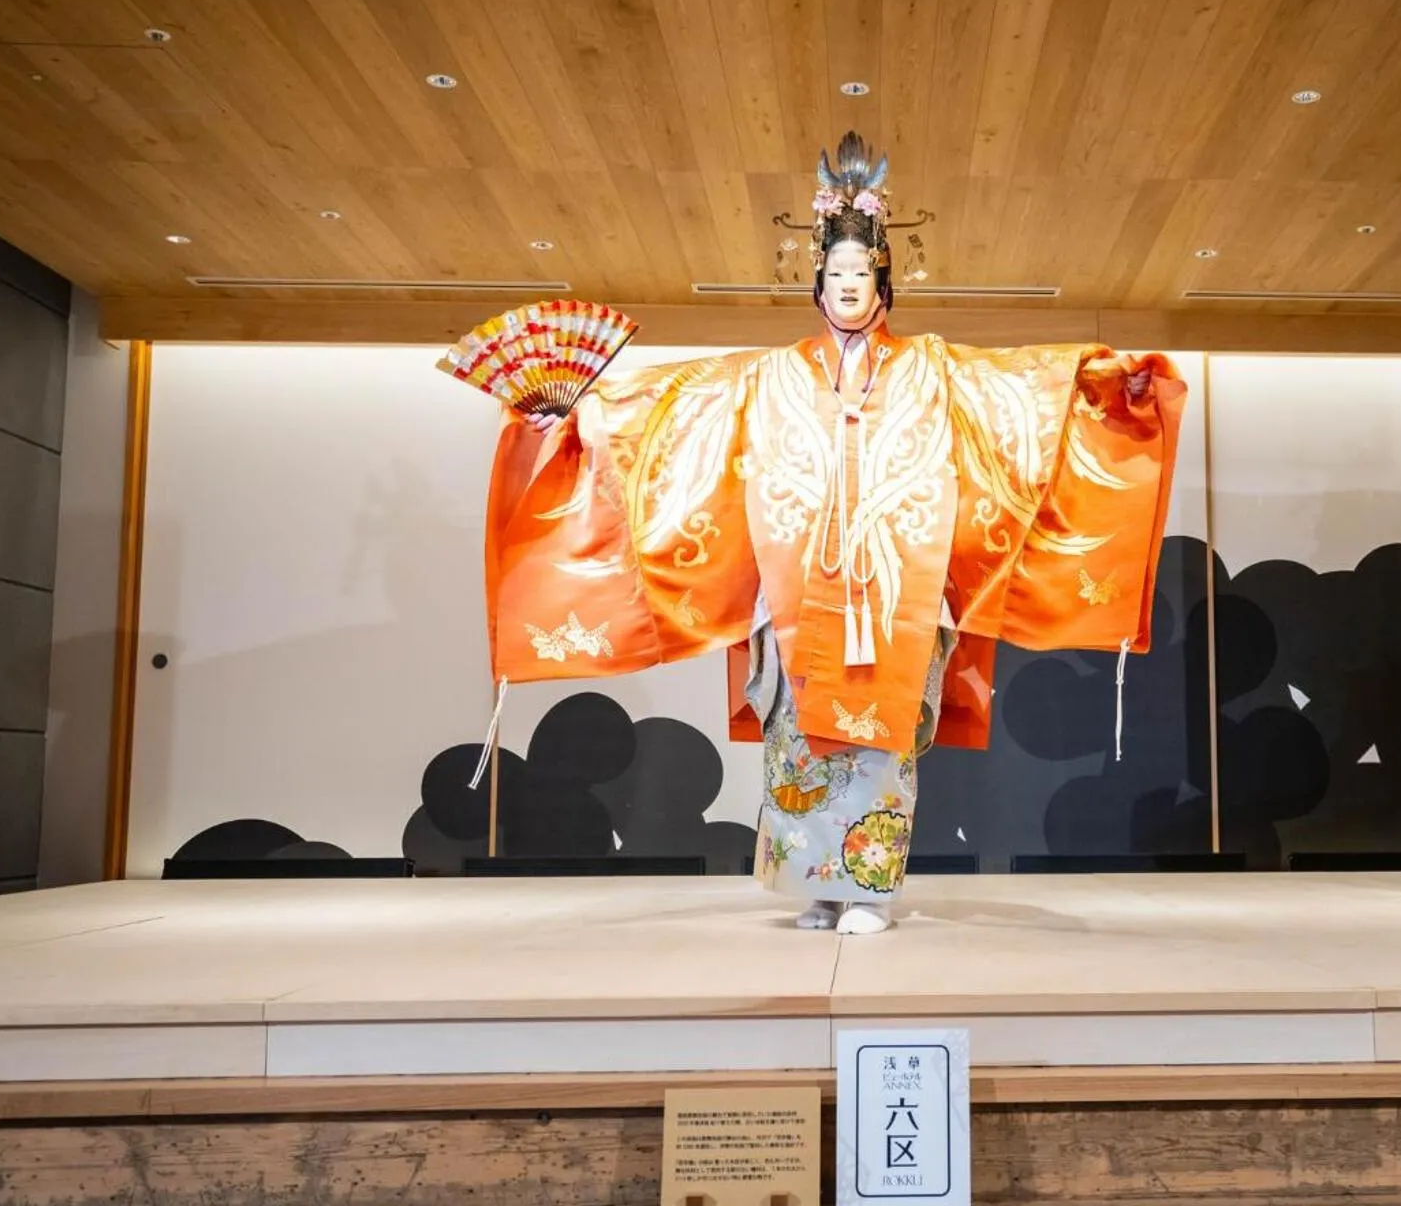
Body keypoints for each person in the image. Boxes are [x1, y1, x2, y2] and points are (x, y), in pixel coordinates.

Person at [477, 133, 1185, 934]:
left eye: (861, 274)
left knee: (880, 746)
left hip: (895, 587)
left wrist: (1099, 384)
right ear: (817, 284)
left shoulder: (935, 368)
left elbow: (1019, 392)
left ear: (882, 281)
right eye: (837, 274)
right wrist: (582, 411)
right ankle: (818, 883)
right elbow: (675, 408)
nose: (848, 286)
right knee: (798, 742)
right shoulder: (767, 374)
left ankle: (870, 888)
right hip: (796, 587)